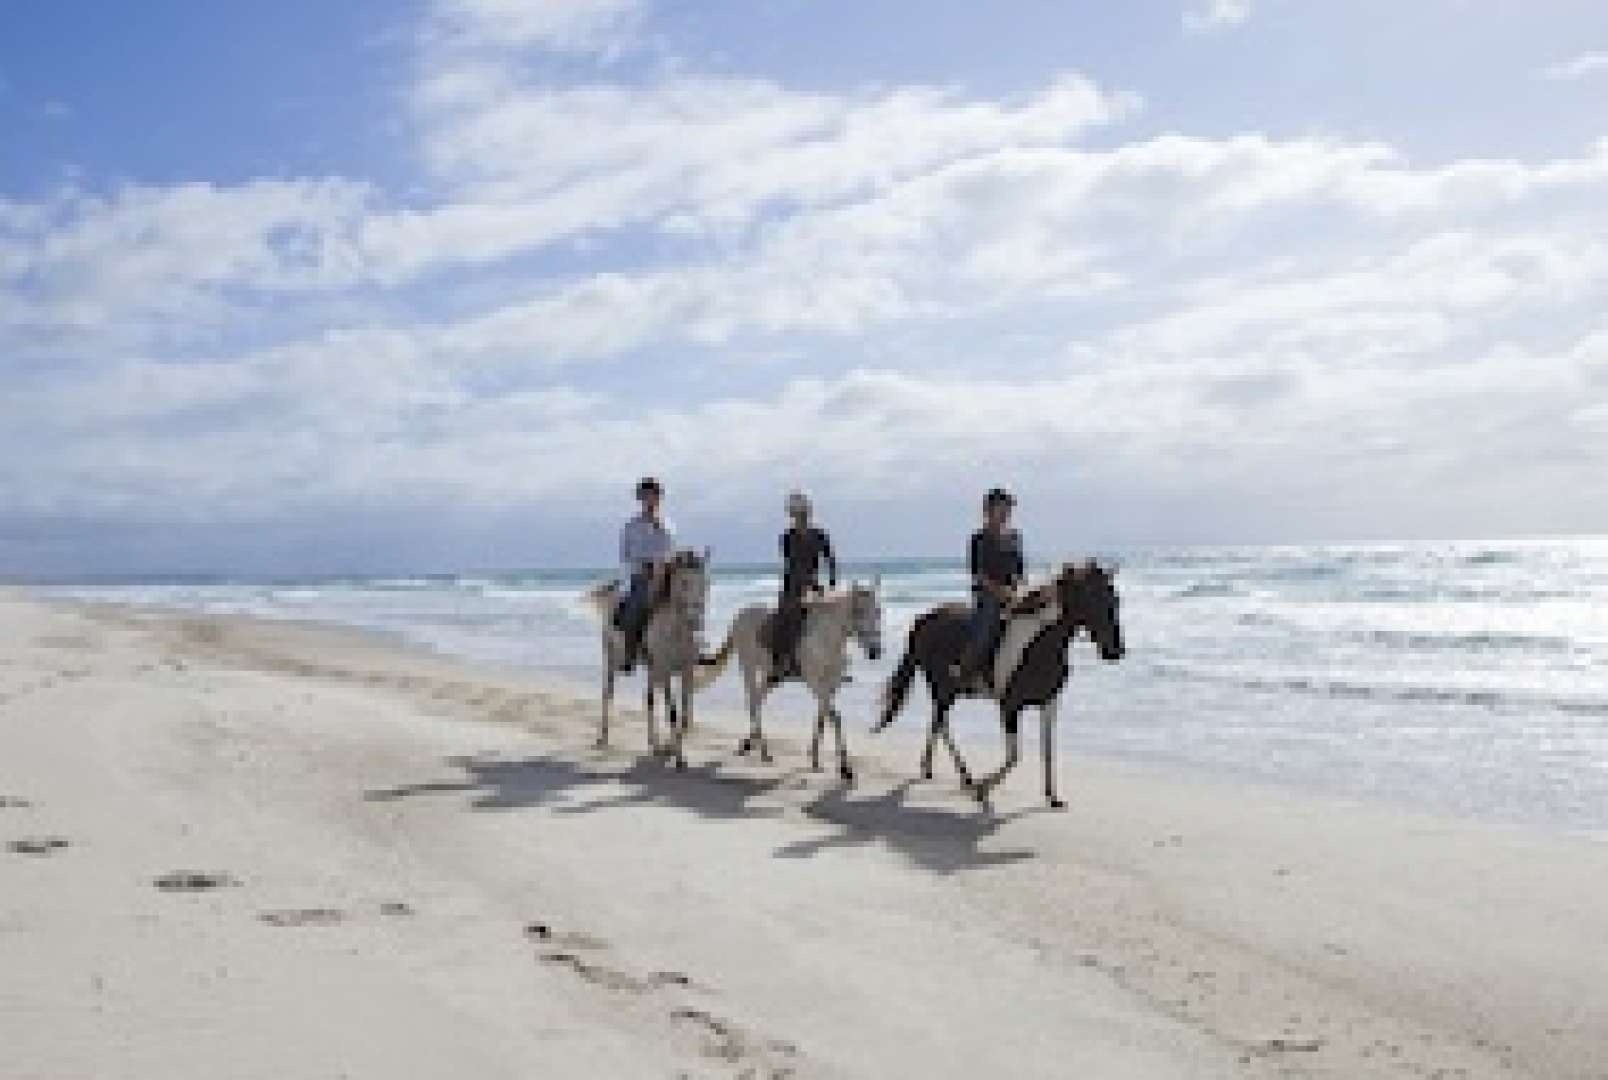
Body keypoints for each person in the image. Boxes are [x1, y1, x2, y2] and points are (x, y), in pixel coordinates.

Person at [953, 488, 1024, 684]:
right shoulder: (979, 539)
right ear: (988, 510)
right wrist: (1000, 591)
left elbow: (1019, 569)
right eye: (1002, 508)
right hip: (988, 594)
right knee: (985, 628)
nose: (1006, 513)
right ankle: (966, 669)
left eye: (1008, 509)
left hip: (1013, 592)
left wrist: (1018, 586)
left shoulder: (1015, 537)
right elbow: (979, 574)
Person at [768, 490, 837, 685]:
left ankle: (836, 662)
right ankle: (781, 665)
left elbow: (830, 559)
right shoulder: (787, 537)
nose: (802, 517)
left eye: (805, 512)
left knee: (835, 616)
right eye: (798, 514)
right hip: (793, 586)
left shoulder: (820, 534)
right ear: (792, 515)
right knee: (785, 618)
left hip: (814, 585)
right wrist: (803, 583)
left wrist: (832, 581)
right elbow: (791, 564)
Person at [616, 476, 676, 671]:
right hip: (642, 576)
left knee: (693, 601)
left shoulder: (668, 526)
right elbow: (625, 555)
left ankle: (694, 648)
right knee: (636, 608)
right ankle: (630, 653)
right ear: (641, 498)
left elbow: (671, 552)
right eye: (647, 496)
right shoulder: (631, 527)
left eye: (655, 495)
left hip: (667, 575)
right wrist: (644, 566)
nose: (651, 500)